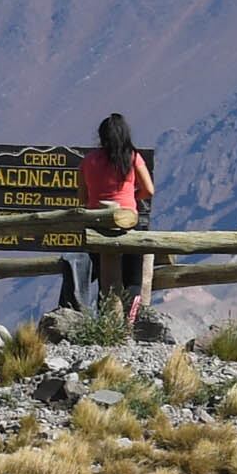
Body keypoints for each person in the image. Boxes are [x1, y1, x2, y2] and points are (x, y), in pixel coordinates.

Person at [78, 114, 159, 336]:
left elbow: (82, 198)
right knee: (132, 275)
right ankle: (131, 316)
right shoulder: (132, 158)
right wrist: (133, 196)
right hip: (128, 222)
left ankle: (107, 321)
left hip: (97, 225)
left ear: (101, 136)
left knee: (106, 278)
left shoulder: (89, 161)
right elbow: (149, 190)